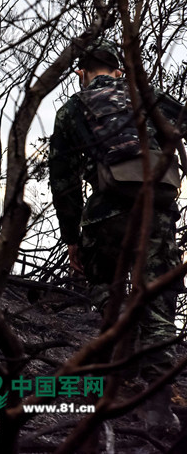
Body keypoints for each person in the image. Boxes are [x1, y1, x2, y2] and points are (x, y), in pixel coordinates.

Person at [48, 38, 183, 433]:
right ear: (119, 70)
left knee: (108, 295)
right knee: (158, 308)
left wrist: (72, 237)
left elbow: (64, 181)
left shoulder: (72, 109)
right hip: (157, 213)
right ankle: (159, 405)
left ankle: (110, 387)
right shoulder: (145, 96)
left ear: (80, 73)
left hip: (105, 216)